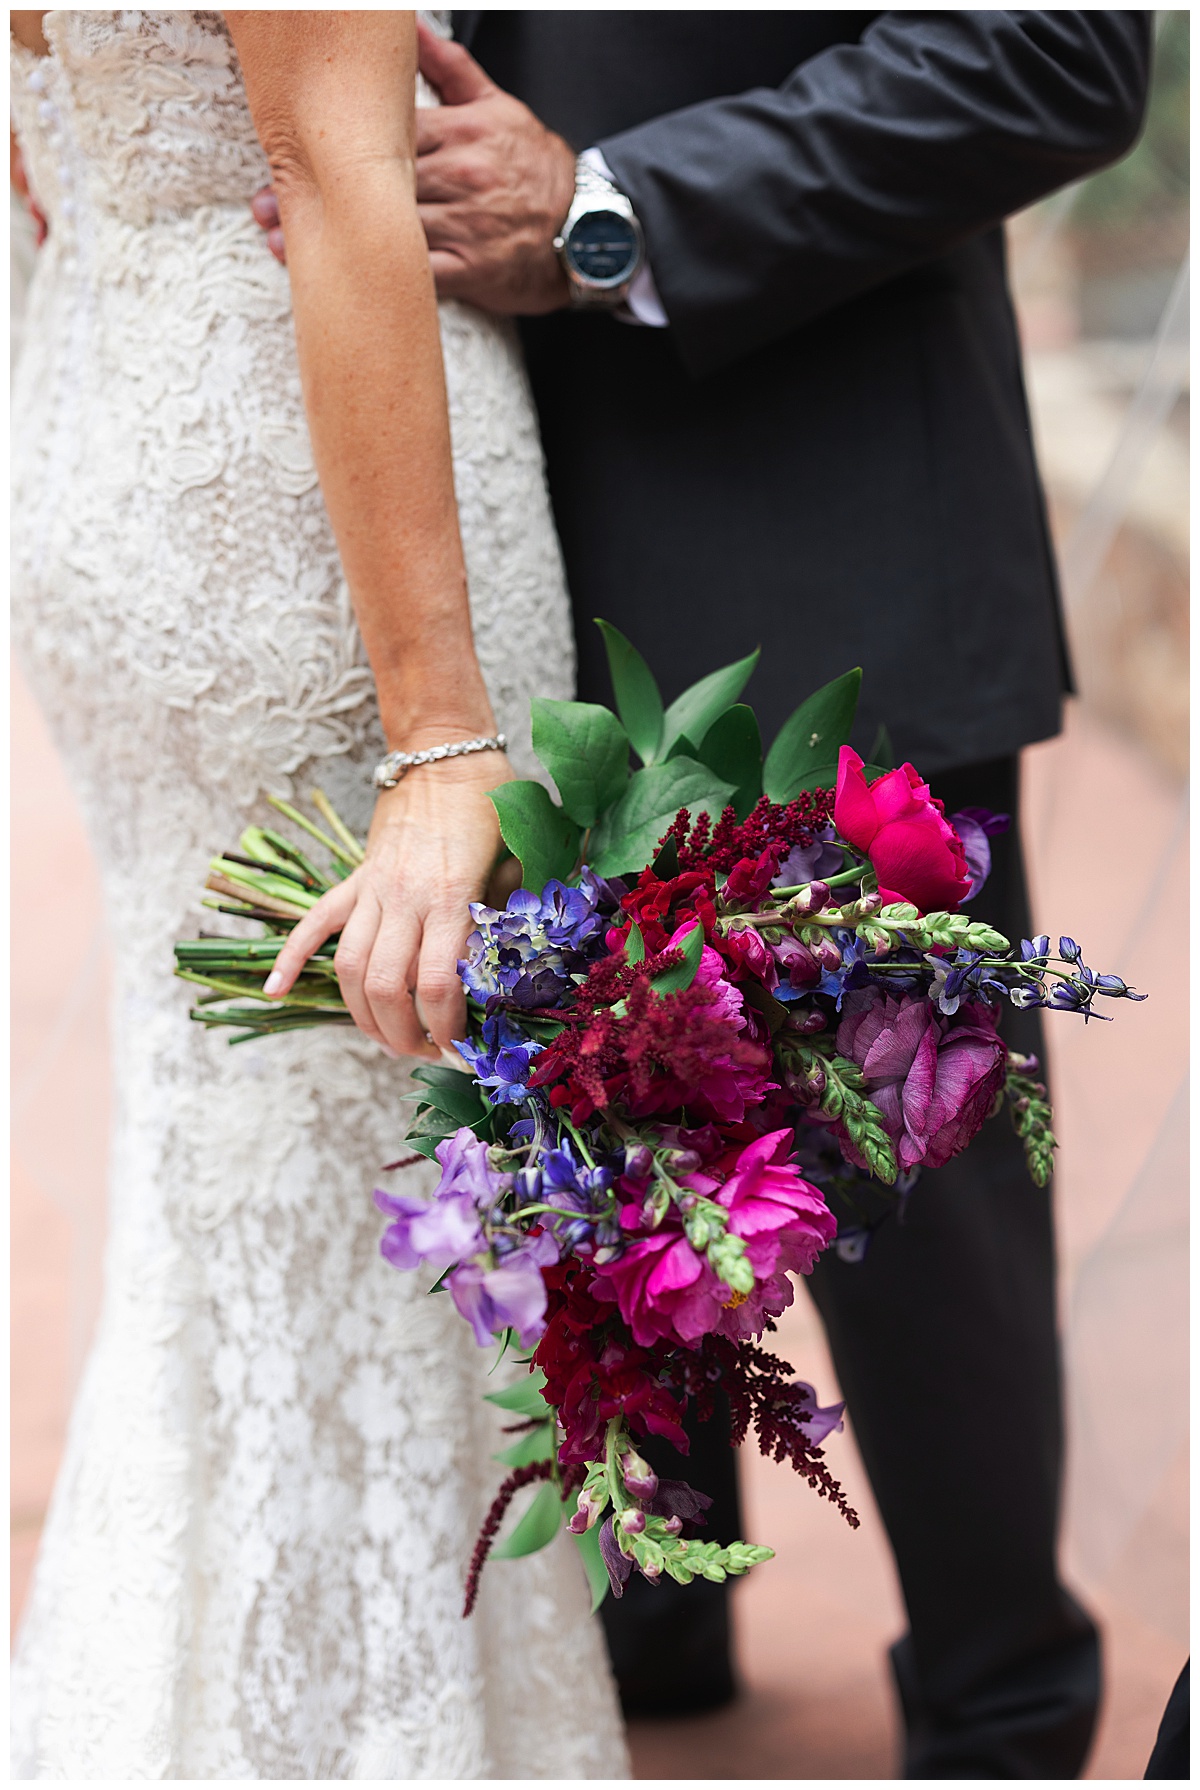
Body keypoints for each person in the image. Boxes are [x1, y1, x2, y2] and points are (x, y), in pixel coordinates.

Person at [279, 12, 1147, 1776]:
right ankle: (654, 1618)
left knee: (913, 1196)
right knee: (577, 1148)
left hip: (825, 534)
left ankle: (1006, 1698)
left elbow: (1058, 50)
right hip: (504, 567)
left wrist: (613, 211)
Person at [9, 10, 626, 1777]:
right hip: (305, 521)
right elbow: (331, 172)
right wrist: (442, 739)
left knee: (241, 1165)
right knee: (363, 1165)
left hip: (116, 414)